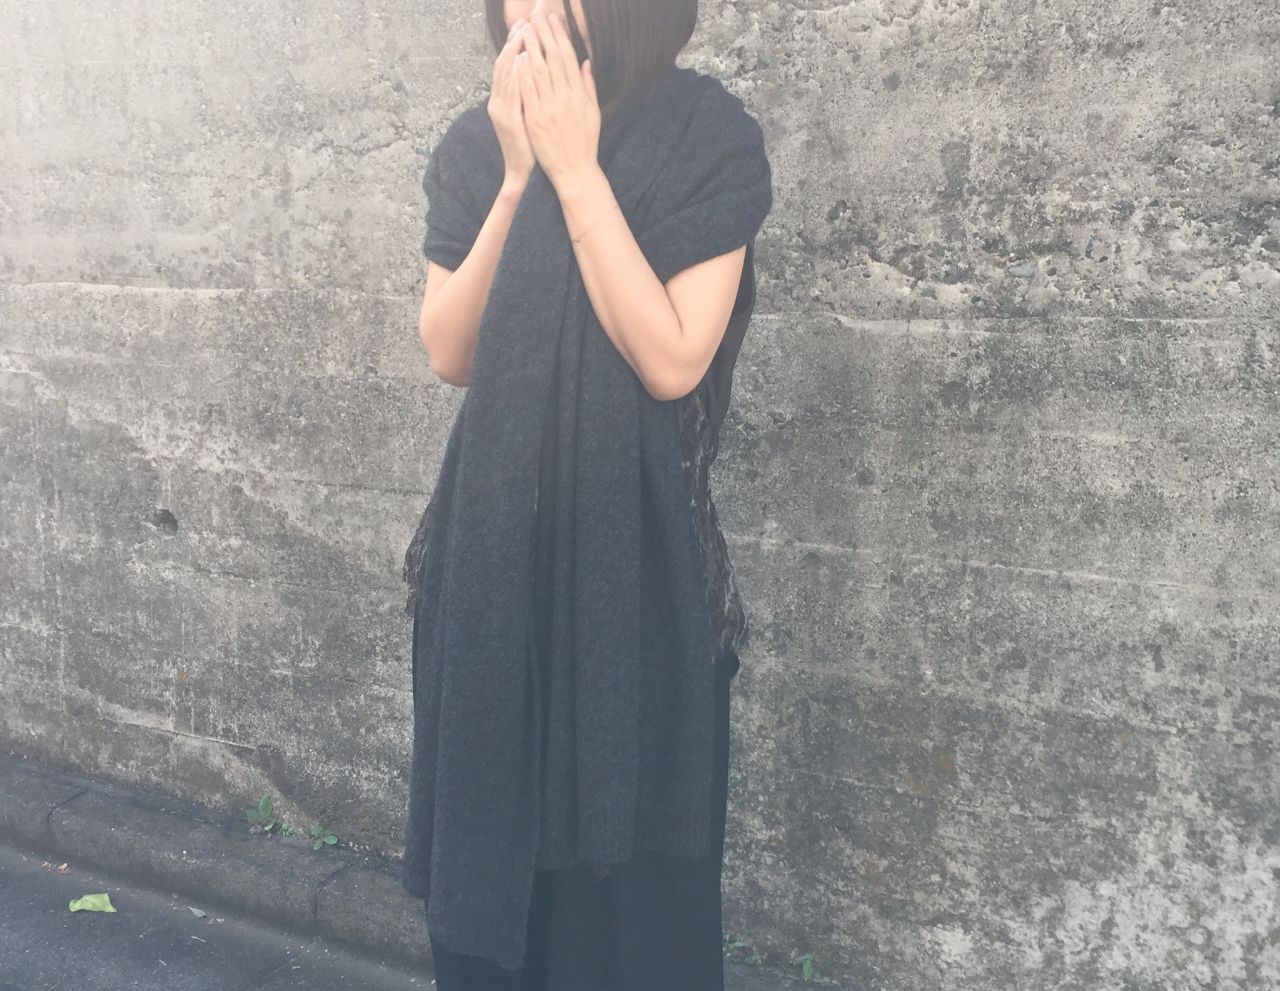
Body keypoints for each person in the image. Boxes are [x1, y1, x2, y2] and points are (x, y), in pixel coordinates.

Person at [401, 1, 772, 987]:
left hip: (644, 592)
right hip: (489, 583)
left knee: (637, 925)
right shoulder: (477, 146)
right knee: (496, 913)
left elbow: (671, 358)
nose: (528, 17)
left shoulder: (705, 137)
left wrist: (575, 173)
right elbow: (451, 349)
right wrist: (519, 177)